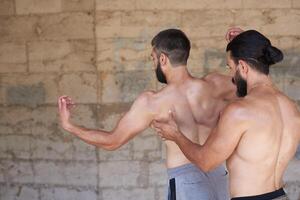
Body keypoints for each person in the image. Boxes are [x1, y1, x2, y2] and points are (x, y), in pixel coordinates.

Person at [58, 29, 236, 200]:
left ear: (163, 59)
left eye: (153, 59)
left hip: (186, 182)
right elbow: (256, 85)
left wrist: (70, 126)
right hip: (218, 176)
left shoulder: (153, 102)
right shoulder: (216, 85)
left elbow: (112, 141)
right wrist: (243, 43)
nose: (154, 65)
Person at [152, 29, 300, 200]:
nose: (231, 76)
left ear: (243, 67)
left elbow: (205, 162)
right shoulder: (290, 108)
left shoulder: (239, 111)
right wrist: (247, 44)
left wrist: (175, 134)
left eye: (231, 68)